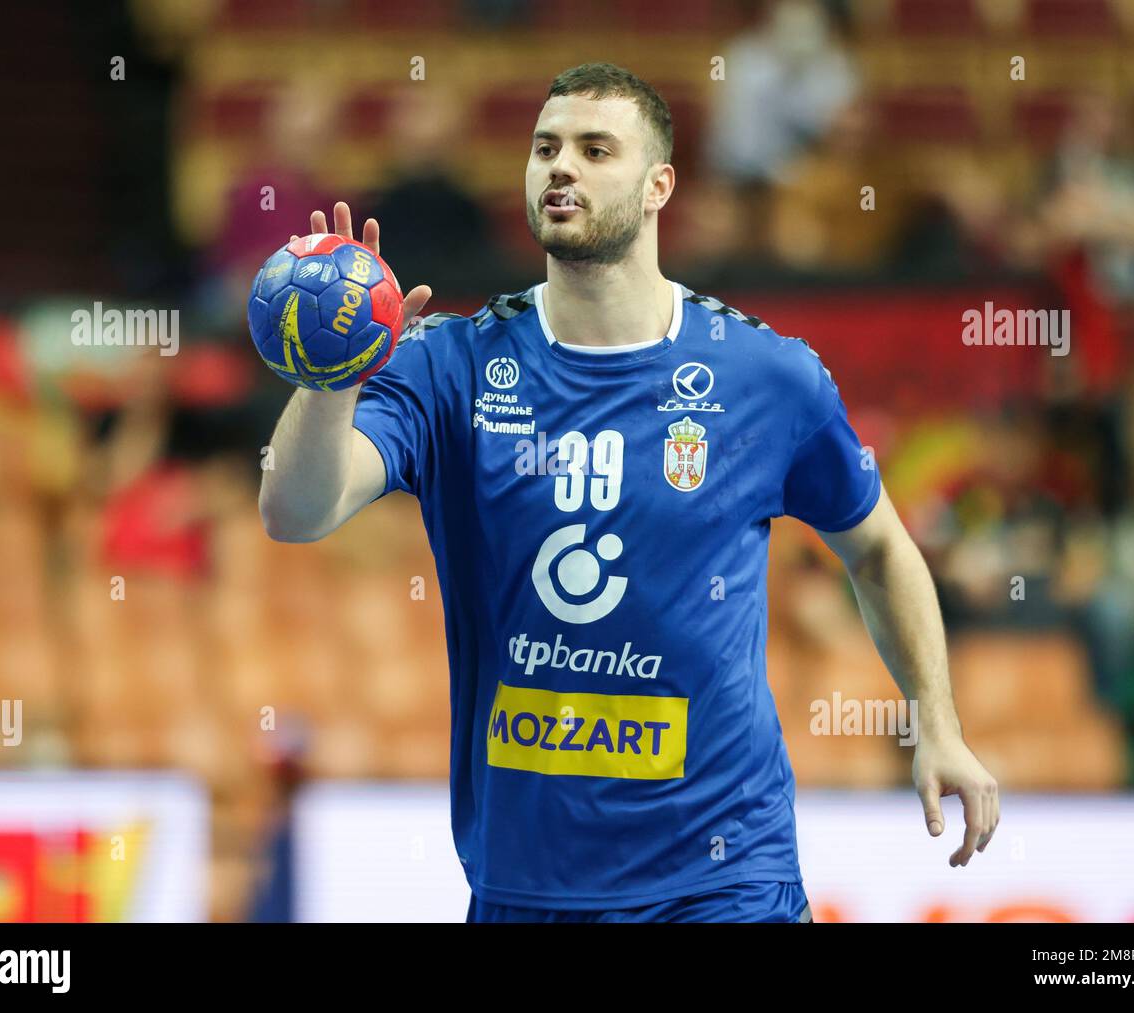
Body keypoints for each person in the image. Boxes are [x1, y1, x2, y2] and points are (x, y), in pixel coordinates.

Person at [258, 62, 999, 923]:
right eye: (545, 148)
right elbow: (294, 511)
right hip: (528, 885)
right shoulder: (450, 364)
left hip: (727, 878)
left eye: (594, 148)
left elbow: (877, 546)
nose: (559, 166)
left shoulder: (764, 376)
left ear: (659, 186)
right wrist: (331, 373)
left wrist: (935, 721)